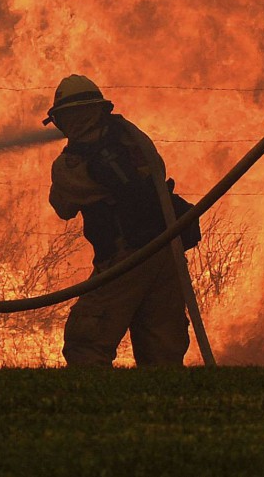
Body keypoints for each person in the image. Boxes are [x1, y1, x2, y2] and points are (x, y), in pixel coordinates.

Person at [46, 75, 194, 367]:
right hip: (166, 249)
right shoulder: (131, 136)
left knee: (85, 341)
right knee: (162, 347)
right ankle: (167, 408)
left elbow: (63, 207)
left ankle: (94, 409)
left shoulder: (72, 164)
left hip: (124, 258)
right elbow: (156, 170)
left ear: (62, 118)